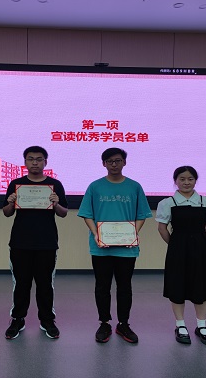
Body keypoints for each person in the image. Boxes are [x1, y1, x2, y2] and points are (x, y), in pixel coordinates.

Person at [77, 147, 152, 343]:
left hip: (127, 248)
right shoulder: (95, 187)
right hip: (100, 247)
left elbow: (142, 215)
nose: (114, 164)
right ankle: (104, 323)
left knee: (124, 286)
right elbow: (87, 214)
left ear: (124, 162)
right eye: (110, 161)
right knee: (102, 286)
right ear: (103, 164)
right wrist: (96, 234)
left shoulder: (134, 187)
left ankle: (123, 324)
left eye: (118, 160)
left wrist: (133, 234)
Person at [3, 146, 68, 340]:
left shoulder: (55, 185)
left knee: (45, 284)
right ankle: (18, 319)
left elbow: (63, 213)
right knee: (21, 284)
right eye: (30, 159)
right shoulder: (16, 184)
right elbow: (6, 213)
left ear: (45, 162)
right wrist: (11, 202)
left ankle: (47, 320)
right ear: (25, 162)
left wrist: (56, 203)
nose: (35, 162)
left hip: (46, 243)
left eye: (39, 159)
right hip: (20, 242)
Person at [156, 166, 206, 346]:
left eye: (190, 179)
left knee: (201, 286)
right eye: (182, 179)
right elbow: (162, 228)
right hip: (177, 249)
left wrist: (197, 242)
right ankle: (180, 325)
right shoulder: (167, 203)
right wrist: (176, 245)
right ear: (175, 181)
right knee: (177, 285)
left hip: (202, 249)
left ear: (195, 180)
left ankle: (202, 326)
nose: (186, 182)